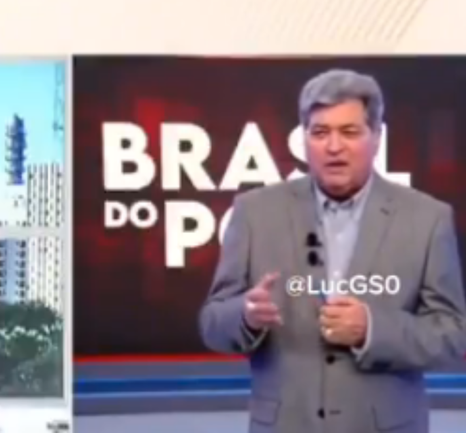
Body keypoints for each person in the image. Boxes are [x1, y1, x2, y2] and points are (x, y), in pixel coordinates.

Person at [198, 69, 466, 433]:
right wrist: (245, 315)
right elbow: (213, 323)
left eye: (349, 132)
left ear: (377, 137)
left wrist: (372, 329)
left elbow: (452, 334)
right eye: (320, 132)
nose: (334, 146)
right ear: (304, 138)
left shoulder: (428, 218)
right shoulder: (255, 212)